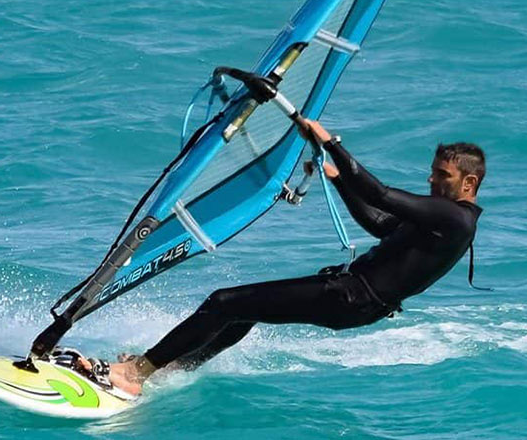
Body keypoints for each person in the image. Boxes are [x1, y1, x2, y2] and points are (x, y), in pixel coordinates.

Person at [98, 116, 486, 396]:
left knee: (222, 303)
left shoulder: (454, 218)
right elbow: (380, 224)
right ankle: (178, 364)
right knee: (243, 312)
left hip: (351, 297)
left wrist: (329, 140)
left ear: (469, 183)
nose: (431, 181)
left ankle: (137, 371)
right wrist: (336, 179)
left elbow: (381, 195)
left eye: (441, 176)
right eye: (433, 172)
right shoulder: (444, 220)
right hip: (354, 301)